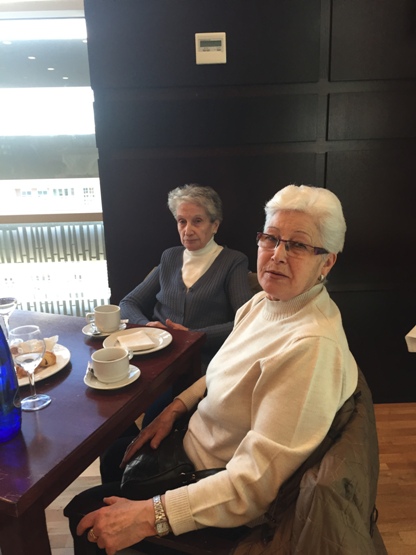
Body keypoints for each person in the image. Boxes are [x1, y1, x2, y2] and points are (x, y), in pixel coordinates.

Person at [66, 184, 358, 555]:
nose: (277, 255)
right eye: (271, 238)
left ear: (327, 262)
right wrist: (174, 409)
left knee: (84, 514)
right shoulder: (262, 304)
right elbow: (224, 369)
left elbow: (253, 486)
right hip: (191, 450)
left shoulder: (311, 348)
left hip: (215, 494)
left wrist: (148, 517)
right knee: (114, 456)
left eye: (298, 245)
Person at [119, 183, 253, 372]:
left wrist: (194, 335)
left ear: (215, 225)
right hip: (156, 353)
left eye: (197, 221)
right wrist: (147, 326)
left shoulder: (233, 261)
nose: (187, 230)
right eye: (182, 221)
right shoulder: (169, 257)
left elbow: (248, 320)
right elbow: (128, 303)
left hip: (202, 360)